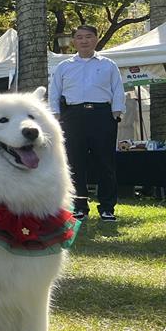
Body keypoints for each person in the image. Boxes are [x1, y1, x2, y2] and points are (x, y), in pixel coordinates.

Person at [49, 24, 125, 222]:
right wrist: (56, 115)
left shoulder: (108, 65)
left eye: (88, 37)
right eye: (80, 37)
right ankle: (79, 206)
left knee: (105, 162)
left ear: (96, 39)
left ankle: (107, 207)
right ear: (74, 41)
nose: (84, 41)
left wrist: (116, 113)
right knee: (75, 162)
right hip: (73, 116)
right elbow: (54, 92)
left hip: (102, 115)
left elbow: (118, 89)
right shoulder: (64, 66)